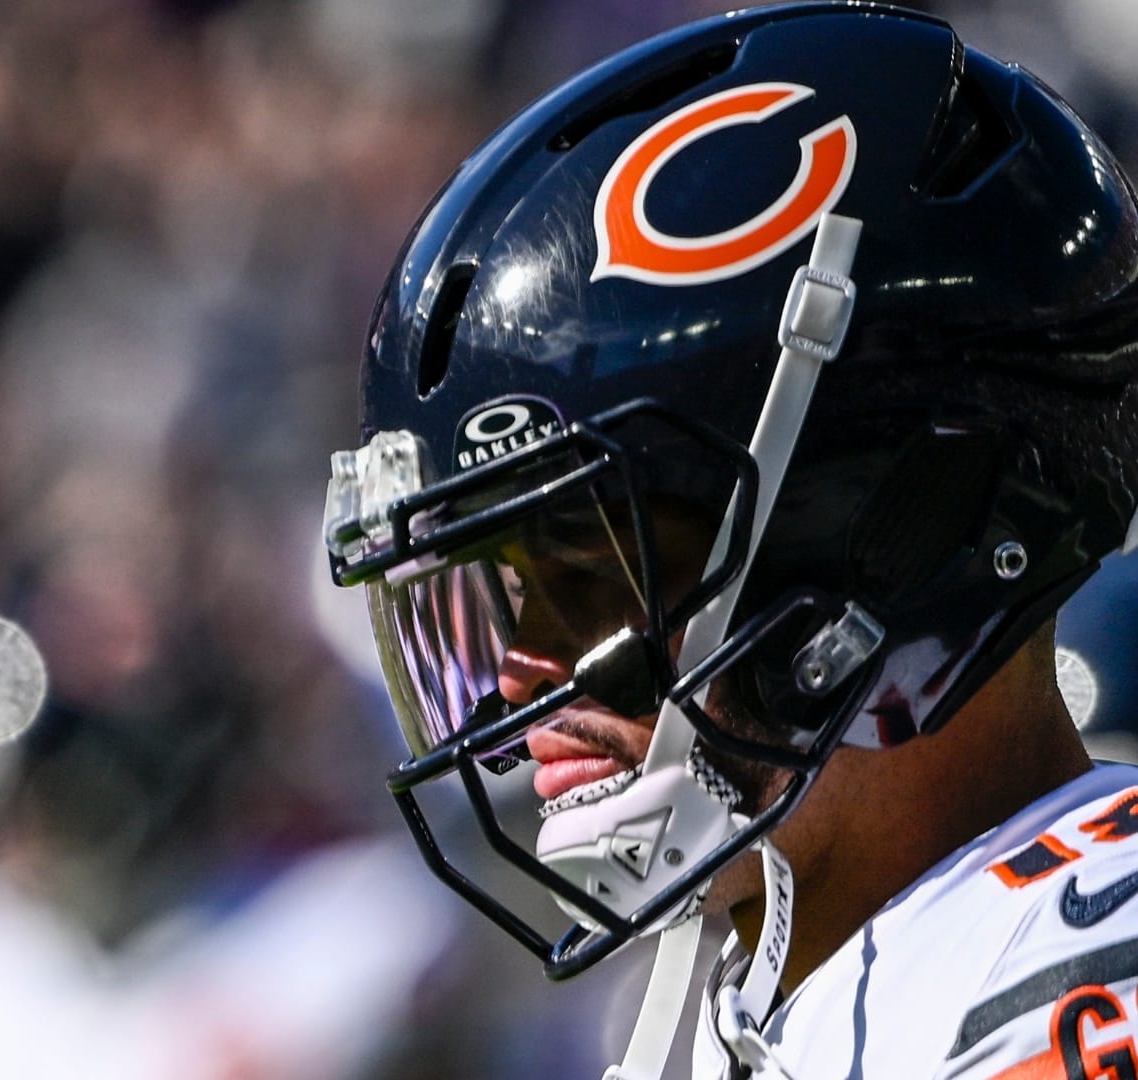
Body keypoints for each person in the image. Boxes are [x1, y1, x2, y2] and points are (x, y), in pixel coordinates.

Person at [320, 3, 1138, 1078]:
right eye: (512, 595)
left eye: (593, 568)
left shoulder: (1069, 989)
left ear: (889, 527)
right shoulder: (751, 1001)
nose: (518, 683)